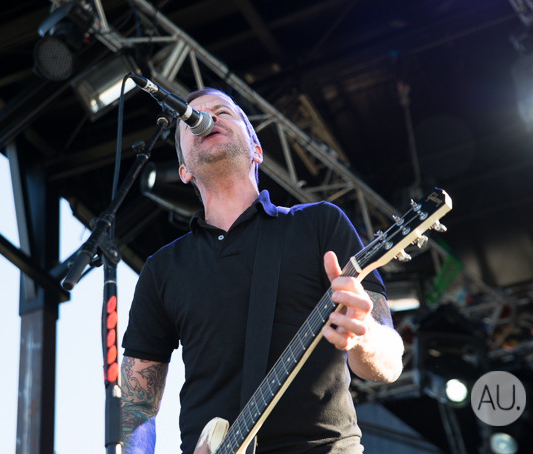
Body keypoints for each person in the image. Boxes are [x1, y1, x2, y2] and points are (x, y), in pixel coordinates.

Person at [120, 88, 404, 454]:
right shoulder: (162, 269)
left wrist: (364, 337)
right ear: (184, 171)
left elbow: (389, 363)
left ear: (256, 149)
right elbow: (136, 406)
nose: (207, 118)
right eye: (190, 120)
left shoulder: (319, 224)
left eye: (223, 111)